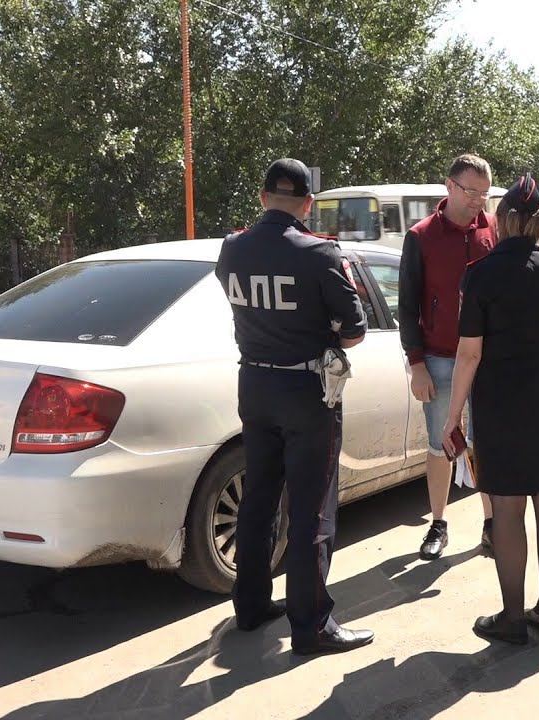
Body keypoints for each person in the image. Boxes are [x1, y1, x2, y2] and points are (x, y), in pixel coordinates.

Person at [215, 158, 374, 655]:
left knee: (259, 498)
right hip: (306, 392)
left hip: (254, 384)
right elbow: (355, 330)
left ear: (263, 198)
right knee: (311, 511)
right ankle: (311, 626)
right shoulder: (320, 253)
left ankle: (251, 605)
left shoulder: (233, 248)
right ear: (308, 205)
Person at [441, 173, 539, 644]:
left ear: (500, 220)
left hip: (499, 407)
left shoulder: (480, 274)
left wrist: (453, 415)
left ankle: (513, 618)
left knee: (506, 508)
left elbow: (469, 354)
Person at [398, 153, 498, 561]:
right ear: (450, 186)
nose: (478, 201)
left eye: (484, 193)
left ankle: (492, 524)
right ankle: (438, 524)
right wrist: (416, 363)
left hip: (487, 359)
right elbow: (407, 306)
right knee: (441, 444)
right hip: (439, 360)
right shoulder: (421, 236)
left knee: (484, 443)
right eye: (471, 191)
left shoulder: (494, 229)